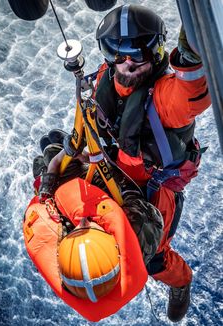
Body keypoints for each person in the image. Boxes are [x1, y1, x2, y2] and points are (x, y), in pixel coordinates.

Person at [91, 4, 211, 323]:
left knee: (153, 258)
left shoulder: (164, 99)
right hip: (112, 170)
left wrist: (193, 46)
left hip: (153, 193)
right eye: (117, 53)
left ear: (156, 53)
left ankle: (181, 281)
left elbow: (192, 93)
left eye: (136, 55)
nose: (126, 63)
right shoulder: (111, 76)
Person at [26, 129, 163, 322]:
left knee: (48, 152)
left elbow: (42, 203)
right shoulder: (141, 228)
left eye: (75, 231)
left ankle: (56, 152)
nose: (82, 220)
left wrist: (54, 171)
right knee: (58, 149)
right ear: (117, 248)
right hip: (117, 204)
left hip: (65, 211)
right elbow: (132, 191)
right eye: (89, 227)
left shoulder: (54, 253)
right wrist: (92, 162)